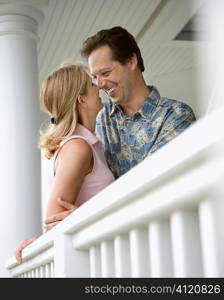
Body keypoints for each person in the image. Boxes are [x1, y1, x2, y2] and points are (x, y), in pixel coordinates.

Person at [44, 26, 196, 228]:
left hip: (166, 234)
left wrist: (88, 216)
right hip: (117, 242)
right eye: (95, 77)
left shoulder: (175, 116)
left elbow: (161, 188)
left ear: (132, 61)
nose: (99, 84)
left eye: (105, 72)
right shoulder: (99, 121)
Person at [14, 62, 115, 264]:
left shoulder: (87, 144)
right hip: (95, 262)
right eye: (92, 83)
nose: (99, 86)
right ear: (81, 99)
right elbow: (54, 219)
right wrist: (39, 242)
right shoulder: (78, 147)